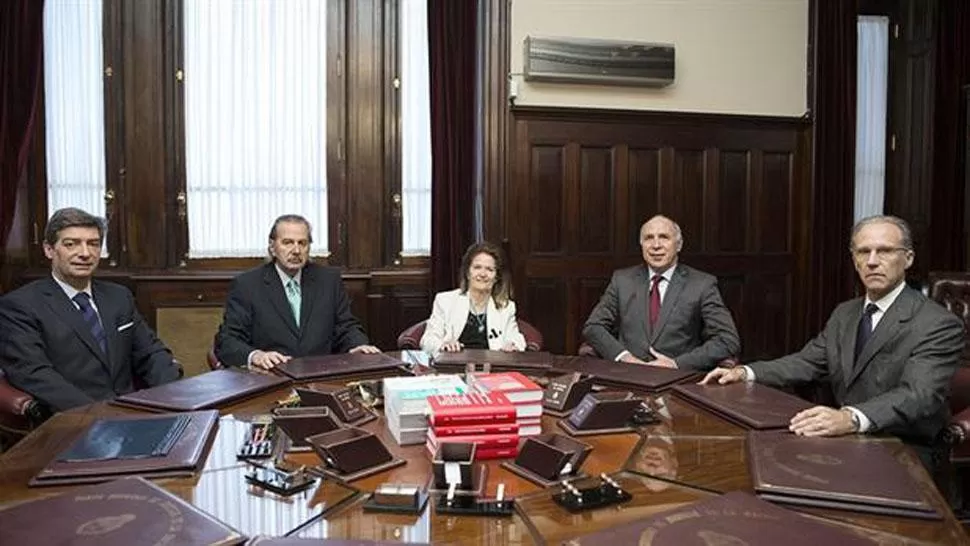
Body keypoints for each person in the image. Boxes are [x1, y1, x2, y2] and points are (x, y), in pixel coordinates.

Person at [701, 215, 964, 471]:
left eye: (884, 251)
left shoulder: (937, 323)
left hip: (906, 447)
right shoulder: (845, 313)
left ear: (908, 258)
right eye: (863, 252)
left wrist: (850, 418)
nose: (872, 261)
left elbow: (918, 395)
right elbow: (807, 362)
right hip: (847, 441)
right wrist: (746, 372)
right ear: (854, 260)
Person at [0, 208, 181, 413]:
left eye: (93, 244)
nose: (85, 253)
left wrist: (173, 398)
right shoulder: (20, 305)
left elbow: (150, 353)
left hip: (133, 413)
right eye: (71, 244)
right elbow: (34, 374)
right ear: (49, 250)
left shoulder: (118, 297)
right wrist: (98, 413)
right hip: (71, 421)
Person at [215, 214, 378, 369]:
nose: (296, 250)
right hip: (272, 377)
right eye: (287, 242)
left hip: (320, 374)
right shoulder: (247, 285)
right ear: (272, 247)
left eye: (302, 243)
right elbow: (228, 340)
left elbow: (346, 326)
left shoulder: (328, 280)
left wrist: (358, 345)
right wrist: (256, 355)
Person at [582, 215, 740, 371]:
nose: (656, 245)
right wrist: (624, 357)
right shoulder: (622, 280)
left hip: (677, 380)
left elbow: (728, 340)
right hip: (626, 376)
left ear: (679, 245)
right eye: (649, 238)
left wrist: (677, 364)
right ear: (641, 244)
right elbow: (593, 326)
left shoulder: (702, 284)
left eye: (664, 237)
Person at [420, 241, 526, 354]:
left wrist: (512, 344)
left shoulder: (506, 307)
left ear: (496, 277)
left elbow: (517, 339)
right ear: (467, 273)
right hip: (454, 367)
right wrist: (443, 345)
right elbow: (427, 340)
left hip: (492, 368)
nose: (483, 274)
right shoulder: (445, 301)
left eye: (490, 269)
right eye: (477, 267)